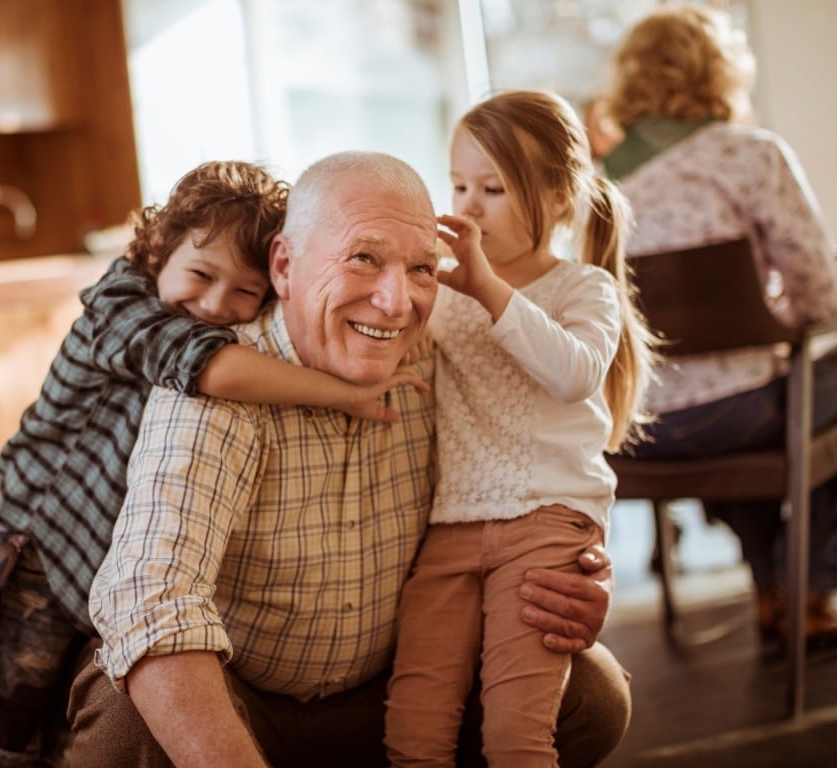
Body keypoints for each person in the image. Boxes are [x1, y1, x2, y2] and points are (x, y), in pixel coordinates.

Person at [64, 150, 632, 768]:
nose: (395, 302)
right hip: (246, 699)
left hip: (391, 690)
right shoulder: (214, 383)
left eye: (421, 268)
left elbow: (540, 458)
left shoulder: (439, 358)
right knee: (125, 724)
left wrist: (574, 566)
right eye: (364, 258)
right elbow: (152, 598)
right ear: (284, 266)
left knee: (592, 694)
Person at [0, 160, 423, 768]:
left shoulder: (227, 325)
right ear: (157, 254)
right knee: (2, 729)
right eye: (200, 274)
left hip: (95, 564)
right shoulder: (120, 303)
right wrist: (346, 392)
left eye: (244, 291)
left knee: (60, 730)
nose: (215, 304)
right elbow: (206, 366)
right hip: (35, 551)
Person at [383, 91, 655, 767]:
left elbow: (574, 373)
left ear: (559, 198)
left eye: (494, 189)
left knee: (516, 735)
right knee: (413, 733)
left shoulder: (580, 288)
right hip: (451, 524)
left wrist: (487, 287)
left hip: (547, 522)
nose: (469, 207)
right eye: (459, 186)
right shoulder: (446, 293)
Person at [601, 4, 837, 647]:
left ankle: (771, 589)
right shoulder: (750, 155)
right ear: (721, 72)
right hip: (740, 413)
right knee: (790, 403)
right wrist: (773, 321)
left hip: (639, 428)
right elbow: (821, 298)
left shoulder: (601, 184)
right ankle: (809, 585)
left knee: (751, 409)